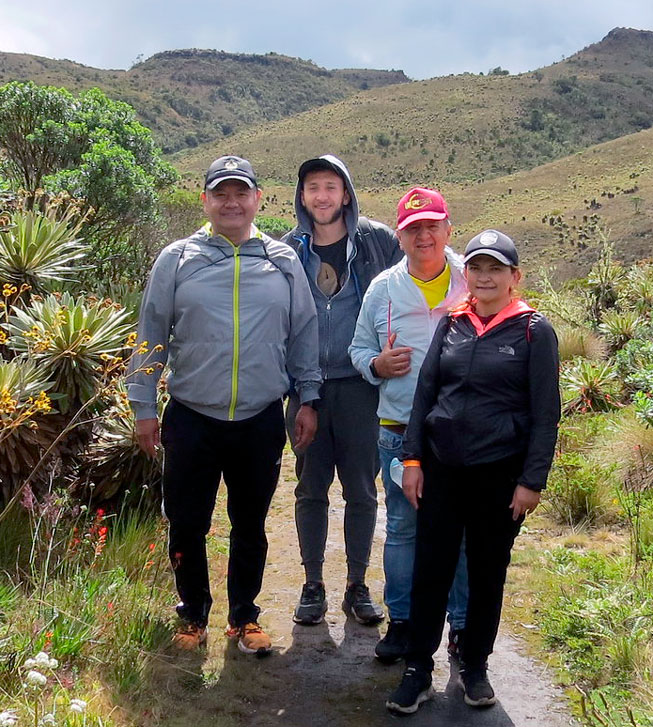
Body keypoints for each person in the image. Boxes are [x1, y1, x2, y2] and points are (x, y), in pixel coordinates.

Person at [127, 155, 321, 657]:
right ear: (206, 201)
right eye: (221, 194)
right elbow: (151, 333)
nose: (231, 203)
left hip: (259, 417)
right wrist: (143, 405)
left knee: (250, 523)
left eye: (240, 193)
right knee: (186, 522)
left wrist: (308, 397)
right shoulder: (177, 259)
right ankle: (192, 615)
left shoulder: (282, 260)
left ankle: (244, 617)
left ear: (258, 199)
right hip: (192, 415)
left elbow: (303, 333)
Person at [385, 229, 559, 714]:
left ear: (514, 276)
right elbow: (425, 395)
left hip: (498, 475)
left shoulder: (534, 331)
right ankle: (418, 669)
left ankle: (475, 666)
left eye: (495, 269)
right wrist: (413, 460)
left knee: (486, 573)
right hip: (441, 470)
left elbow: (546, 414)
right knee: (431, 570)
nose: (484, 277)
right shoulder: (453, 323)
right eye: (477, 268)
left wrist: (531, 481)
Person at [350, 187, 471, 663]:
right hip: (399, 429)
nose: (423, 236)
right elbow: (358, 348)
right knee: (402, 528)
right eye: (413, 229)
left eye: (431, 226)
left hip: (461, 432)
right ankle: (401, 623)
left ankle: (462, 628)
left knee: (460, 532)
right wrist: (376, 365)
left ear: (448, 229)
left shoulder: (472, 279)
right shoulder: (383, 288)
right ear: (399, 237)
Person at [281, 155, 399, 627]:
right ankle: (313, 585)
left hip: (361, 386)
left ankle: (356, 585)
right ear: (302, 196)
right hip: (305, 388)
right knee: (310, 488)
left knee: (362, 491)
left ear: (346, 193)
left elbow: (420, 272)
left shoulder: (377, 242)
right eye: (313, 187)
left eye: (331, 186)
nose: (322, 196)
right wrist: (300, 391)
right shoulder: (288, 251)